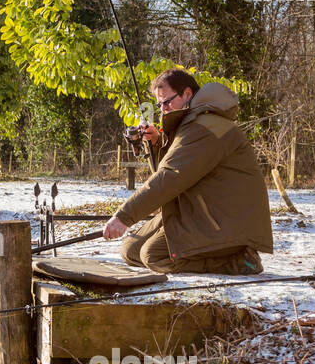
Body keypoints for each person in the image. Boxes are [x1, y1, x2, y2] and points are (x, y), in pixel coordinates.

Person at [101, 68, 272, 274]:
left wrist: (124, 217)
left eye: (167, 102)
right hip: (196, 211)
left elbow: (171, 176)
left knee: (154, 256)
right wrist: (156, 143)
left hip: (223, 221)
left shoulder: (205, 126)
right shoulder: (192, 124)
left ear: (187, 94)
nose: (163, 109)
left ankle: (238, 261)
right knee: (130, 251)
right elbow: (175, 169)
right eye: (159, 104)